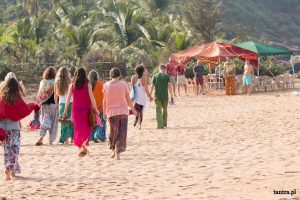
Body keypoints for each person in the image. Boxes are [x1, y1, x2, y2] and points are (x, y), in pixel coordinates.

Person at [0, 78, 37, 180]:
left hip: (5, 130)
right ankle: (12, 170)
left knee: (7, 150)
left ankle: (7, 169)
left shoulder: (2, 98)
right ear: (16, 86)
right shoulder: (17, 98)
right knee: (15, 150)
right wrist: (33, 105)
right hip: (15, 129)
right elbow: (24, 110)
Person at [63, 68, 99, 157]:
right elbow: (92, 98)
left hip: (76, 110)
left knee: (78, 129)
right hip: (86, 110)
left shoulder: (72, 85)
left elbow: (68, 99)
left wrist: (65, 111)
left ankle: (82, 146)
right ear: (85, 75)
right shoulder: (88, 85)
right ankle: (83, 145)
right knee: (87, 128)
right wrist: (96, 108)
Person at [103, 67, 137, 160]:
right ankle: (117, 152)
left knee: (113, 132)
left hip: (111, 112)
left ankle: (113, 150)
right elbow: (128, 99)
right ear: (119, 75)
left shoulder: (106, 85)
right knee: (122, 133)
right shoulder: (124, 84)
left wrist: (104, 112)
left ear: (110, 75)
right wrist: (133, 110)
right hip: (123, 111)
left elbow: (104, 100)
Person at [35, 66, 58, 146]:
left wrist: (37, 102)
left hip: (44, 104)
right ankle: (51, 140)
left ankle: (41, 136)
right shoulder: (55, 82)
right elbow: (56, 93)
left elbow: (39, 94)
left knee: (45, 119)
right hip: (53, 104)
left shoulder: (42, 82)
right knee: (53, 122)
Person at [54, 67, 74, 144]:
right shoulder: (70, 81)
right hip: (71, 103)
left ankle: (64, 139)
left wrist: (56, 103)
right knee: (72, 121)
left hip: (62, 103)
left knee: (63, 121)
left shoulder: (57, 82)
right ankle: (72, 138)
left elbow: (56, 94)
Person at [150, 64, 174, 129]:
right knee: (165, 110)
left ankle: (159, 125)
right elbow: (169, 86)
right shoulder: (167, 76)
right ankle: (164, 123)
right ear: (164, 69)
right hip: (165, 96)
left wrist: (150, 95)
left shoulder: (155, 76)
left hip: (157, 96)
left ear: (159, 68)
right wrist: (172, 96)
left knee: (158, 110)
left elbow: (152, 86)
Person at [131, 65, 153, 129]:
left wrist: (131, 96)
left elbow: (132, 88)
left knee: (136, 110)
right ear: (143, 71)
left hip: (136, 96)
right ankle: (139, 124)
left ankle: (136, 118)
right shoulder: (145, 78)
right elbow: (146, 89)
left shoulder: (133, 77)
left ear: (136, 71)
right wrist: (150, 96)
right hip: (142, 97)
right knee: (141, 111)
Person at [88, 70, 106, 142]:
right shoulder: (101, 84)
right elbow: (104, 95)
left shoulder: (88, 85)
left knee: (93, 123)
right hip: (100, 107)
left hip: (91, 107)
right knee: (101, 123)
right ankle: (99, 136)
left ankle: (92, 137)